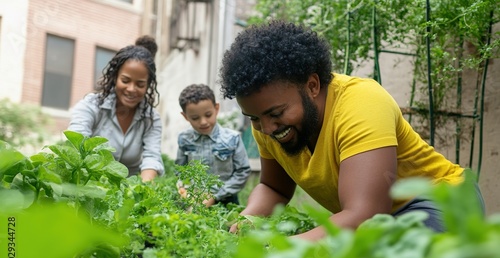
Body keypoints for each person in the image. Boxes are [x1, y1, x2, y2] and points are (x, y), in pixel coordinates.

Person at [218, 20, 485, 240]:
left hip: (439, 201)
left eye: (276, 114)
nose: (266, 128)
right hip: (379, 220)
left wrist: (279, 249)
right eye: (253, 117)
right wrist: (247, 221)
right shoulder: (267, 124)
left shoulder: (361, 103)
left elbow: (364, 214)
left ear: (312, 86)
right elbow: (273, 187)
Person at [68, 38, 164, 181]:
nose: (131, 89)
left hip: (127, 189)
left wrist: (142, 189)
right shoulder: (91, 105)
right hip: (89, 183)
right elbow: (77, 141)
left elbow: (152, 157)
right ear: (115, 78)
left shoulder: (151, 119)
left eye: (140, 84)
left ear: (148, 85)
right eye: (125, 81)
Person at [175, 83, 251, 207]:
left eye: (208, 115)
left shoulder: (232, 138)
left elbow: (242, 172)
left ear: (216, 109)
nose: (203, 122)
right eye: (195, 118)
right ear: (185, 116)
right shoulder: (184, 139)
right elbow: (181, 172)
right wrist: (185, 191)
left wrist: (215, 196)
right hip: (195, 201)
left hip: (226, 202)